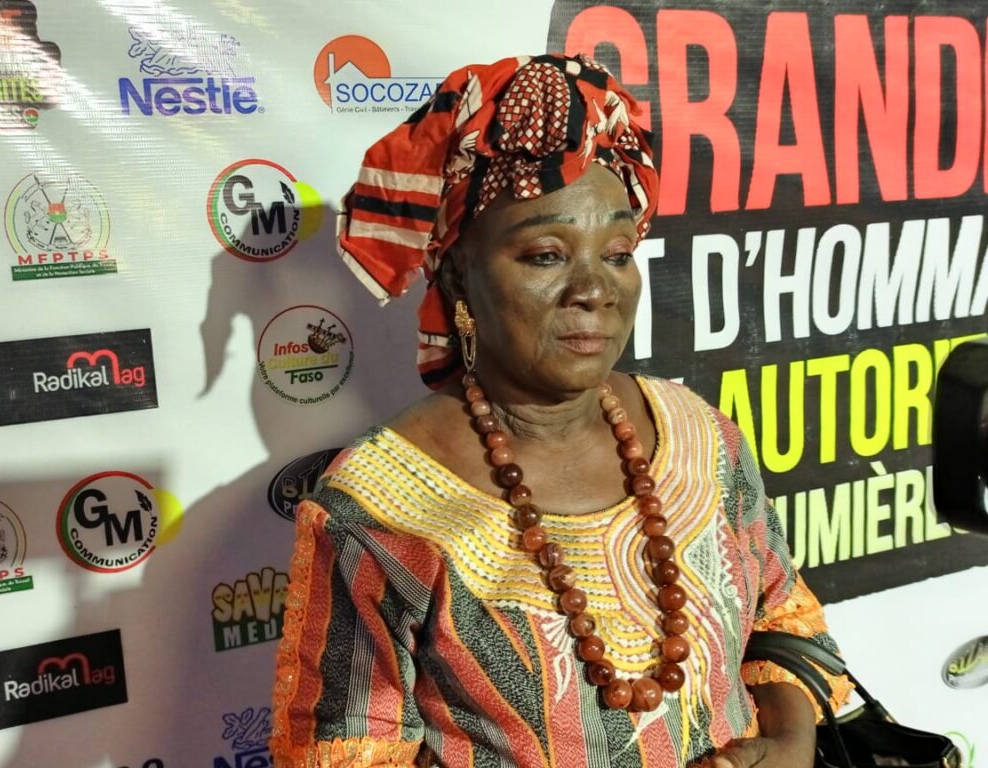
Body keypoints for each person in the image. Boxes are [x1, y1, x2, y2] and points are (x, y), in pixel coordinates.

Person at [269, 53, 851, 768]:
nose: (594, 289)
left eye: (617, 252)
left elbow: (784, 619)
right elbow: (345, 752)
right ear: (458, 273)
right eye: (546, 255)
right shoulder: (379, 510)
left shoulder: (699, 435)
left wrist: (790, 743)